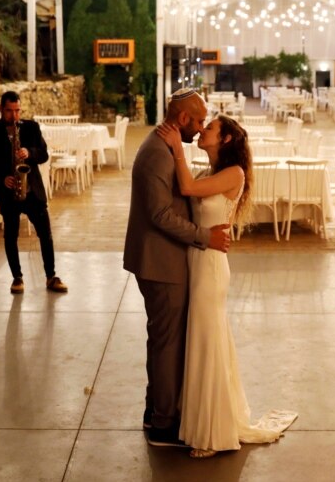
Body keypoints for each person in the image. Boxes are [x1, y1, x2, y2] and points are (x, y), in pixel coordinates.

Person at [157, 114, 297, 458]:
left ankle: (212, 432)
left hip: (211, 267)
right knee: (203, 340)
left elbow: (187, 189)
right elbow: (186, 189)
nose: (202, 131)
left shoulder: (233, 174)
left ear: (227, 140)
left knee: (208, 342)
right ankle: (202, 420)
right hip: (198, 259)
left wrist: (176, 147)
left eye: (210, 129)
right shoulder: (210, 173)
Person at [123, 88, 230, 448]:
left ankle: (156, 410)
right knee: (168, 344)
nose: (200, 129)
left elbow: (182, 191)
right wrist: (204, 236)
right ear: (182, 118)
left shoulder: (167, 146)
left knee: (163, 340)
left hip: (163, 259)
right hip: (161, 261)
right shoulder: (157, 152)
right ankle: (164, 425)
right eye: (198, 121)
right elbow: (159, 214)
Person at [0, 91, 68, 294]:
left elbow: (44, 154)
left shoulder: (31, 127)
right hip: (8, 191)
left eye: (18, 111)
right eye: (10, 111)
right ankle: (17, 278)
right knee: (10, 237)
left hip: (32, 191)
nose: (14, 116)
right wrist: (2, 178)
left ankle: (51, 276)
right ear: (2, 109)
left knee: (45, 234)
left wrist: (29, 152)